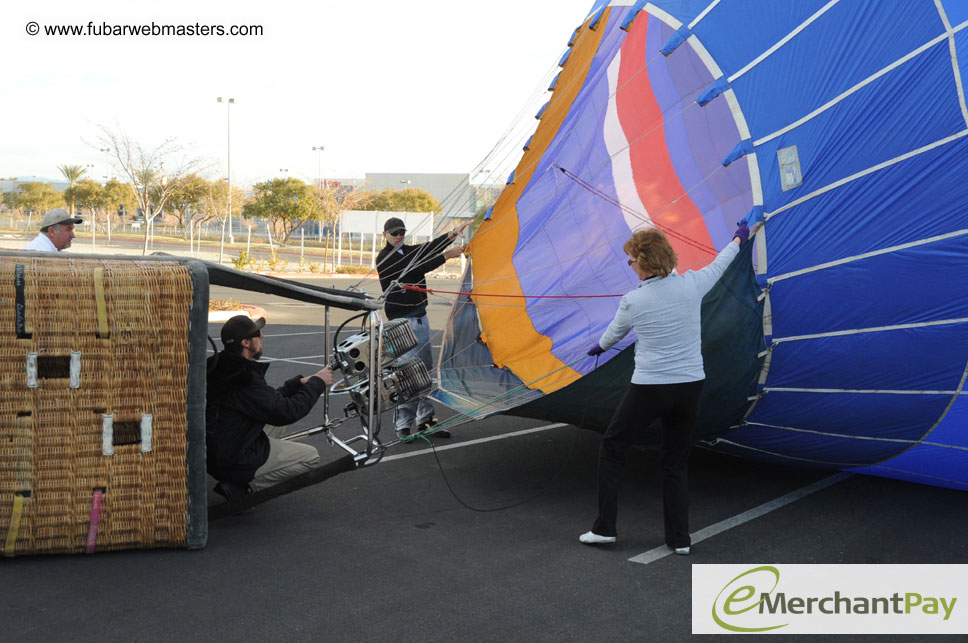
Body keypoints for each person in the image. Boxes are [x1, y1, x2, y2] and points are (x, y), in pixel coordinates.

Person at [579, 221, 750, 554]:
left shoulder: (632, 301)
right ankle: (680, 539)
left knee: (613, 447)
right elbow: (721, 263)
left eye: (631, 260)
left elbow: (613, 335)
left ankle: (605, 528)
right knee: (675, 461)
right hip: (689, 386)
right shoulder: (692, 285)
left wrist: (598, 347)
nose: (630, 266)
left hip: (650, 389)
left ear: (644, 262)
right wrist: (738, 239)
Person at [206, 314, 335, 497]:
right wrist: (317, 383)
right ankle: (242, 487)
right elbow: (286, 412)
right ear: (246, 342)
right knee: (310, 457)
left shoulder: (222, 366)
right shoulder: (243, 377)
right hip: (232, 457)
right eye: (257, 333)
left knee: (274, 422)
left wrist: (298, 384)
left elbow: (268, 403)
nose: (262, 336)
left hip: (217, 448)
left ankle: (243, 474)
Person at [376, 216, 468, 440]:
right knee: (408, 373)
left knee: (425, 372)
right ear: (385, 234)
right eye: (394, 233)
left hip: (419, 318)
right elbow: (412, 271)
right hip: (401, 322)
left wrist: (451, 235)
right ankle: (403, 424)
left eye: (401, 233)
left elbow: (427, 249)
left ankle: (426, 422)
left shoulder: (407, 251)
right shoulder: (384, 258)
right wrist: (445, 257)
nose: (399, 236)